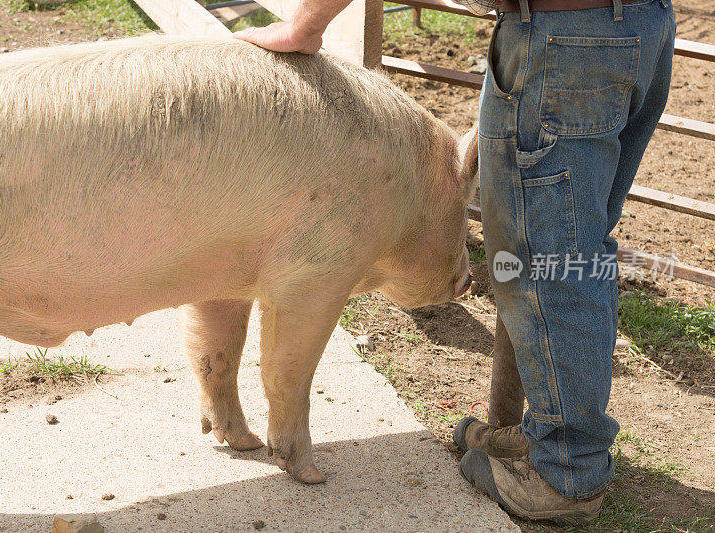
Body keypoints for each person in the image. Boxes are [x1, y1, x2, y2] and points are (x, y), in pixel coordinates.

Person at [236, 0, 675, 525]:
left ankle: (567, 470)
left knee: (545, 259)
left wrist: (306, 24)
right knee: (578, 250)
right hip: (641, 26)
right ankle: (556, 433)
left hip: (561, 40)